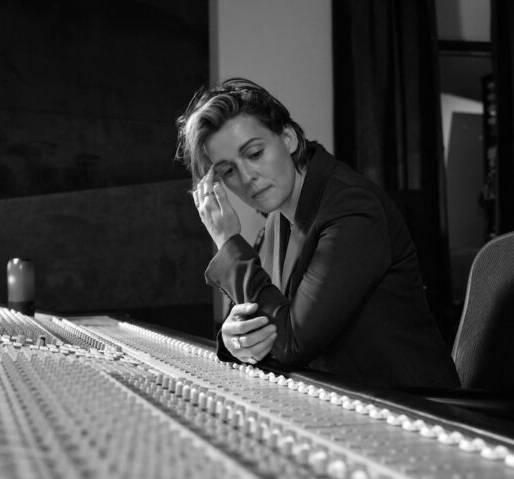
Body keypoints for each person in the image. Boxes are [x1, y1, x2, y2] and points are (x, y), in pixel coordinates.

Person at [175, 78, 459, 388]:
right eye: (228, 170)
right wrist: (234, 339)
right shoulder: (277, 217)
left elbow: (291, 342)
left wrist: (227, 241)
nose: (246, 177)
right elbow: (264, 316)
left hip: (413, 409)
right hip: (341, 399)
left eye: (255, 154)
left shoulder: (352, 209)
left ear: (288, 139)